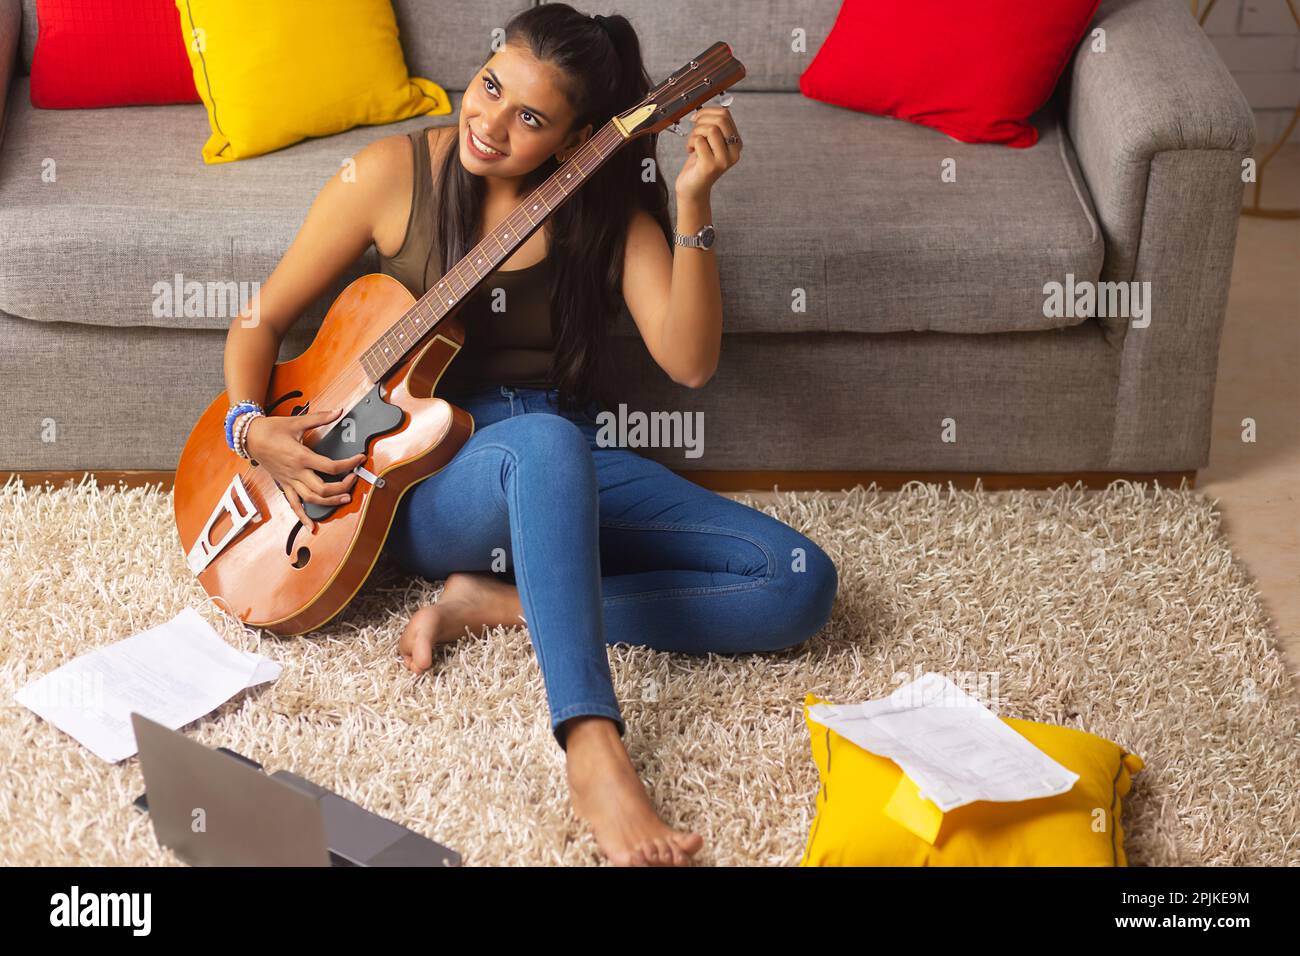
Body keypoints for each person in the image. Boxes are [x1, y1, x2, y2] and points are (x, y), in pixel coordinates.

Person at [223, 3, 837, 866]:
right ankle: (593, 747)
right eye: (489, 88)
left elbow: (690, 362)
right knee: (546, 441)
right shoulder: (391, 175)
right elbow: (261, 320)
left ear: (577, 135)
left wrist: (693, 203)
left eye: (531, 119)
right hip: (430, 479)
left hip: (562, 460)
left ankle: (498, 605)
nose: (491, 125)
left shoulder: (607, 214)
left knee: (799, 583)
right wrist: (253, 433)